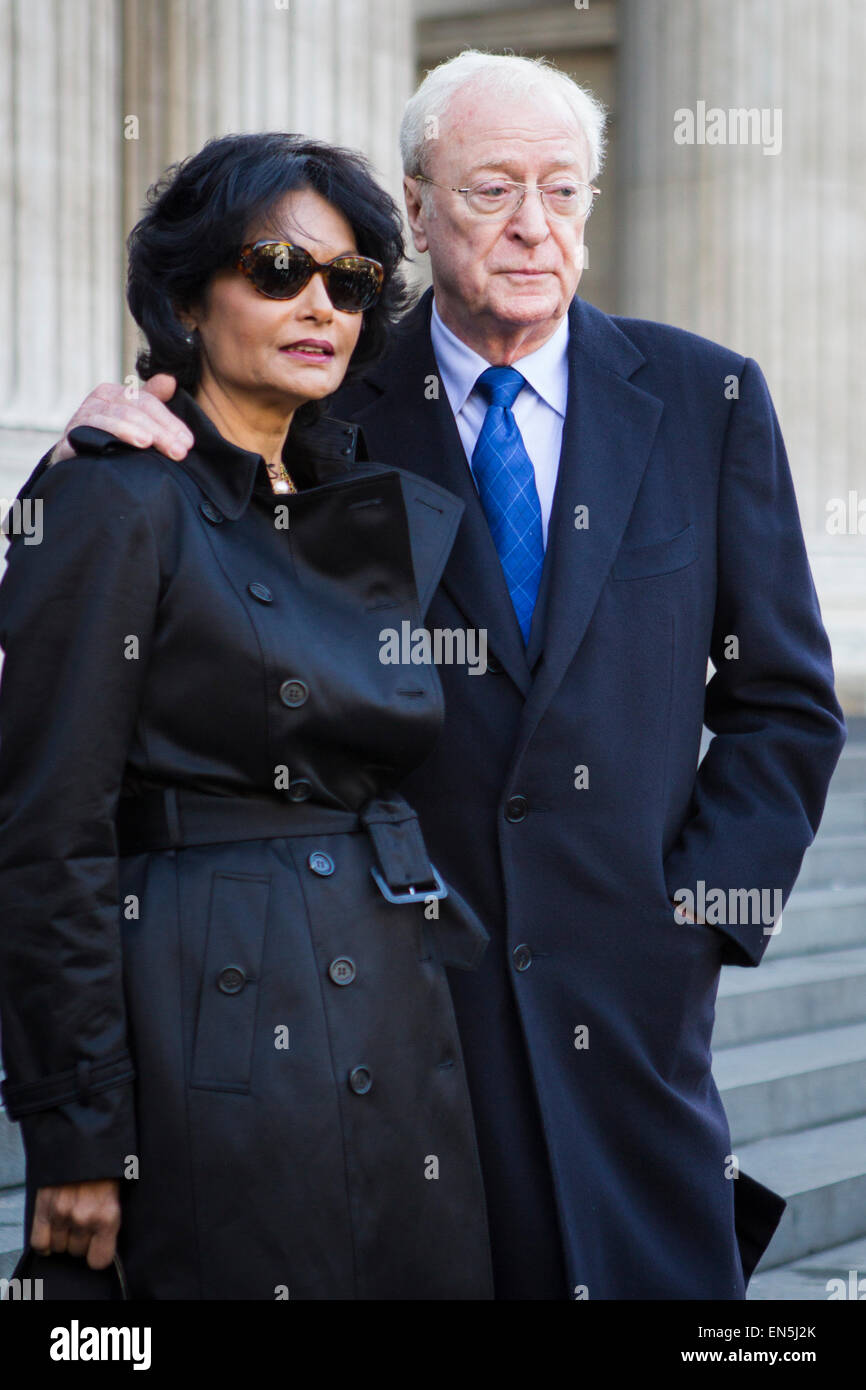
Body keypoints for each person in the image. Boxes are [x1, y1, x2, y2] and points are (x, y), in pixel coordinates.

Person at [13, 51, 846, 1300]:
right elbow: (181, 489)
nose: (530, 226)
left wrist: (697, 921)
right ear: (418, 201)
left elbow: (781, 701)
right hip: (402, 1000)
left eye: (561, 193)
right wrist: (91, 436)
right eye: (491, 188)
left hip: (631, 1002)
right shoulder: (336, 391)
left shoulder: (705, 395)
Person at [0, 130, 496, 1300]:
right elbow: (42, 827)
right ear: (186, 299)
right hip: (208, 1016)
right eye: (277, 267)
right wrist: (77, 1127)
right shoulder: (118, 493)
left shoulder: (350, 501)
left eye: (351, 281)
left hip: (390, 1005)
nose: (318, 301)